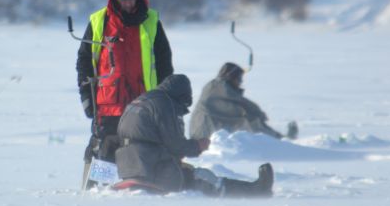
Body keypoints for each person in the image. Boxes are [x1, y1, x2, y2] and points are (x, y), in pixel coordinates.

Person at [114, 73, 274, 197]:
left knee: (188, 171)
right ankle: (255, 192)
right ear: (181, 96)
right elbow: (176, 145)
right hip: (154, 171)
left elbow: (142, 138)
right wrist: (198, 145)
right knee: (203, 178)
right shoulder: (166, 103)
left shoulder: (142, 100)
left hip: (131, 169)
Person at [76, 0, 173, 170]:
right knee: (104, 152)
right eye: (124, 0)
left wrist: (165, 99)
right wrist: (86, 96)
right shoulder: (98, 22)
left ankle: (139, 186)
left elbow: (164, 64)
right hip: (107, 105)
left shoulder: (152, 22)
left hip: (144, 103)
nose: (129, 4)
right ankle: (98, 186)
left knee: (143, 151)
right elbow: (84, 62)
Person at [190, 62, 295, 141]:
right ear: (231, 77)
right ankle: (280, 141)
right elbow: (241, 105)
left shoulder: (218, 86)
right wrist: (256, 112)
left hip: (209, 130)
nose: (240, 82)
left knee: (250, 120)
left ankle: (279, 139)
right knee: (250, 119)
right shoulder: (217, 86)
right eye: (239, 78)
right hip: (204, 133)